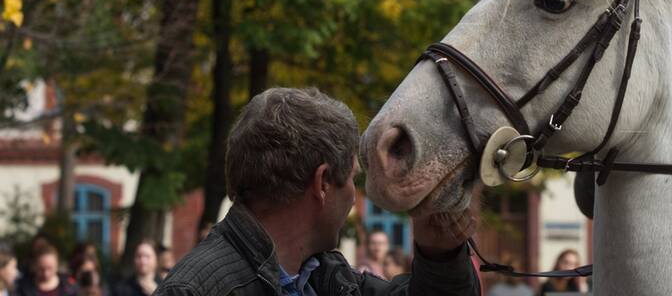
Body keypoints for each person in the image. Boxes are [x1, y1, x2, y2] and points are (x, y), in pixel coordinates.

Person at [158, 87, 479, 296]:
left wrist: (441, 254)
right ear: (323, 183)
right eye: (352, 179)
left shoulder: (323, 279)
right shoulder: (194, 291)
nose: (355, 198)